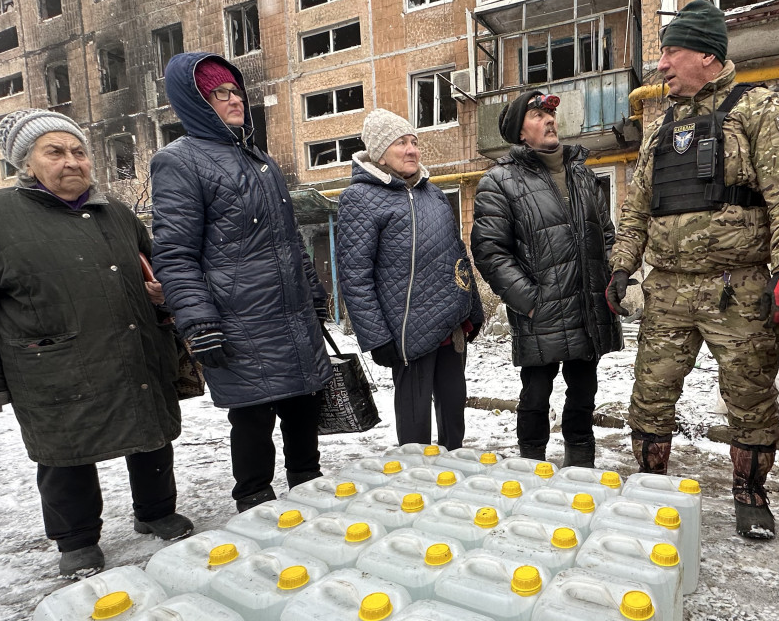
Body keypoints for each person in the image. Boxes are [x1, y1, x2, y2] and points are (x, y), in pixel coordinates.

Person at [0, 109, 192, 578]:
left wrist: (163, 294)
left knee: (150, 433)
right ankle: (76, 539)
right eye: (55, 152)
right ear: (27, 164)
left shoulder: (115, 213)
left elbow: (156, 272)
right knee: (64, 451)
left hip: (133, 346)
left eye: (78, 151)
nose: (72, 161)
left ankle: (155, 510)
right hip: (48, 362)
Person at [606, 0, 779, 539]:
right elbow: (636, 208)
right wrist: (621, 267)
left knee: (749, 396)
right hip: (668, 289)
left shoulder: (758, 109)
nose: (661, 65)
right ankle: (651, 487)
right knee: (651, 394)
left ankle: (750, 494)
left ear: (706, 54)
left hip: (738, 288)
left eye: (670, 52)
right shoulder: (661, 127)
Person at [151, 53, 334, 513]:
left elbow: (289, 241)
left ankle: (307, 489)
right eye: (220, 93)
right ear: (194, 101)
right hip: (238, 320)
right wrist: (197, 322)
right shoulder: (179, 162)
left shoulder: (260, 161)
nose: (234, 101)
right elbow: (175, 254)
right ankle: (253, 500)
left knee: (303, 405)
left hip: (290, 315)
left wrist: (313, 293)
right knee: (252, 415)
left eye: (237, 92)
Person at [472, 90, 623, 466]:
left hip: (588, 307)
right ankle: (530, 464)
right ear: (520, 132)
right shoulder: (500, 181)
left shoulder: (583, 174)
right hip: (541, 310)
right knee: (536, 395)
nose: (549, 120)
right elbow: (491, 252)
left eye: (550, 114)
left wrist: (609, 278)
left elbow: (605, 233)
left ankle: (580, 463)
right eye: (537, 115)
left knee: (584, 392)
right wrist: (530, 301)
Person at [336, 108, 484, 449]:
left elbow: (457, 254)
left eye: (414, 142)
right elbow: (354, 275)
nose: (411, 149)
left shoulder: (431, 193)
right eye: (401, 143)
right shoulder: (359, 198)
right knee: (415, 429)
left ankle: (452, 476)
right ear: (378, 152)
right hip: (407, 334)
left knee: (453, 411)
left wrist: (472, 308)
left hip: (450, 326)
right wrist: (375, 337)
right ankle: (415, 484)